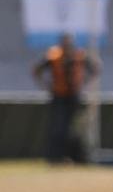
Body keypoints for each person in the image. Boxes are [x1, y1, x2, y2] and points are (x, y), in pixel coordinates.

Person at [31, 32, 99, 164]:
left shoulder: (79, 55)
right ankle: (55, 158)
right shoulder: (54, 56)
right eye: (65, 42)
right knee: (59, 128)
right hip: (59, 97)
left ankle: (78, 158)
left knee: (75, 128)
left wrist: (84, 82)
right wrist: (46, 85)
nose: (67, 45)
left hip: (74, 97)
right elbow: (36, 70)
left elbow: (95, 68)